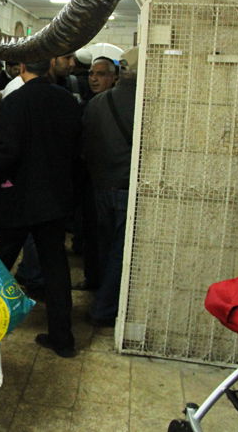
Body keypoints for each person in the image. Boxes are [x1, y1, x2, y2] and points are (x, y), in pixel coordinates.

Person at [0, 59, 81, 358]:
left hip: (16, 199)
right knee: (55, 268)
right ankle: (63, 339)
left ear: (23, 66)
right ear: (49, 65)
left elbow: (7, 152)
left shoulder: (15, 101)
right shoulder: (67, 100)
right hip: (54, 199)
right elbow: (76, 149)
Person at [81, 47, 138, 327]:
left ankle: (100, 293)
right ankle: (104, 307)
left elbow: (86, 147)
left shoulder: (96, 104)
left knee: (104, 245)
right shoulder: (146, 103)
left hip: (101, 185)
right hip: (128, 187)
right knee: (120, 251)